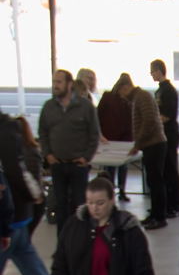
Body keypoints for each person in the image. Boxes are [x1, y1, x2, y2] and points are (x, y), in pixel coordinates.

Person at [38, 68, 99, 233]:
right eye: (54, 82)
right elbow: (43, 132)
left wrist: (86, 157)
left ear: (69, 84)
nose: (55, 86)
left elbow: (94, 134)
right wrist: (48, 154)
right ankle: (63, 247)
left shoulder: (85, 106)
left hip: (78, 166)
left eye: (59, 82)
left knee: (80, 207)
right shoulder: (49, 107)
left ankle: (81, 244)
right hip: (57, 164)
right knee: (61, 206)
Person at [0, 115, 50, 275]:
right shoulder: (11, 131)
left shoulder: (4, 135)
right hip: (19, 211)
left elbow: (14, 174)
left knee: (17, 248)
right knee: (24, 252)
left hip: (9, 214)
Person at [118, 74, 168, 231]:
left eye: (122, 93)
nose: (123, 98)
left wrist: (138, 143)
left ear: (125, 88)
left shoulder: (142, 97)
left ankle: (160, 217)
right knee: (152, 182)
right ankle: (154, 214)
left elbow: (149, 120)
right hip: (150, 144)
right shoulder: (138, 97)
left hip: (154, 144)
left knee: (156, 181)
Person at [150, 58, 179, 219]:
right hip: (162, 134)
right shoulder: (160, 90)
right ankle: (166, 203)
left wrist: (152, 123)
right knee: (163, 170)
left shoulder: (168, 91)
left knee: (170, 169)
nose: (151, 74)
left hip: (169, 133)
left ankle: (175, 205)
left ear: (159, 70)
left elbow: (167, 115)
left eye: (152, 71)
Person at [97, 72, 135, 202]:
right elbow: (99, 115)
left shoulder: (129, 100)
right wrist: (100, 133)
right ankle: (110, 190)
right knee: (110, 165)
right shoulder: (108, 97)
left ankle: (122, 190)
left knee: (123, 165)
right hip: (110, 137)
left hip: (125, 137)